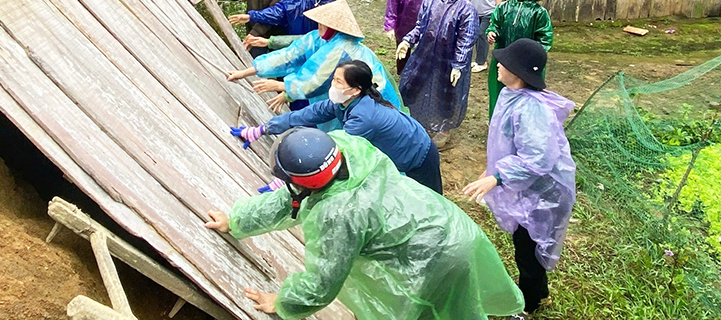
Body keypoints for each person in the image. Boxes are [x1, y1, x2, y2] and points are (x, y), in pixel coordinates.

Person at [206, 128, 525, 320]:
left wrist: (285, 302)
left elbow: (322, 284)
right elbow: (288, 200)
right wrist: (236, 220)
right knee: (459, 308)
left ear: (305, 183)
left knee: (431, 313)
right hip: (447, 225)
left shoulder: (338, 215)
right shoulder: (347, 147)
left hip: (433, 260)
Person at [463, 38, 575, 320]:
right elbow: (507, 144)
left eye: (506, 63)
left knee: (529, 250)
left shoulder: (531, 109)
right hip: (528, 187)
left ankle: (529, 305)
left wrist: (498, 177)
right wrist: (490, 170)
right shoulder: (511, 95)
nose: (498, 64)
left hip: (543, 193)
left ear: (521, 72)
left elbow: (538, 158)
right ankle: (539, 293)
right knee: (525, 245)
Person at [232, 60, 441, 193]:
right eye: (334, 79)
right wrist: (264, 129)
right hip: (400, 149)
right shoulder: (343, 102)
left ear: (355, 90)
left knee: (430, 200)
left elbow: (333, 153)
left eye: (338, 82)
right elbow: (306, 114)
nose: (333, 85)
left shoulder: (363, 119)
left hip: (419, 154)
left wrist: (289, 182)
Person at [226, 0, 402, 126]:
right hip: (341, 99)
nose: (318, 26)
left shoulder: (343, 48)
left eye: (322, 24)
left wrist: (281, 86)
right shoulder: (318, 38)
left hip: (369, 99)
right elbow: (288, 55)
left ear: (333, 28)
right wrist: (245, 72)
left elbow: (314, 80)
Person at [396, 0, 478, 148]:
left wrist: (458, 64)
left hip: (448, 60)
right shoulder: (430, 0)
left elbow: (466, 40)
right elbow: (420, 27)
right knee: (413, 84)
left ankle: (444, 129)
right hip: (424, 53)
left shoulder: (467, 9)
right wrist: (408, 41)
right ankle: (413, 120)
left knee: (447, 93)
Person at [486, 0, 553, 118]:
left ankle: (521, 124)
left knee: (524, 93)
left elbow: (545, 38)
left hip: (525, 63)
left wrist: (532, 57)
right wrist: (492, 33)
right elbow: (494, 25)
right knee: (498, 90)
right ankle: (497, 121)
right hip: (503, 57)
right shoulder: (503, 8)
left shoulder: (539, 13)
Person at [383, 0, 435, 74]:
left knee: (423, 49)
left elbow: (433, 0)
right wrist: (390, 26)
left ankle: (419, 72)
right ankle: (402, 72)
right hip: (403, 23)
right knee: (403, 49)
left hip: (422, 22)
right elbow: (392, 8)